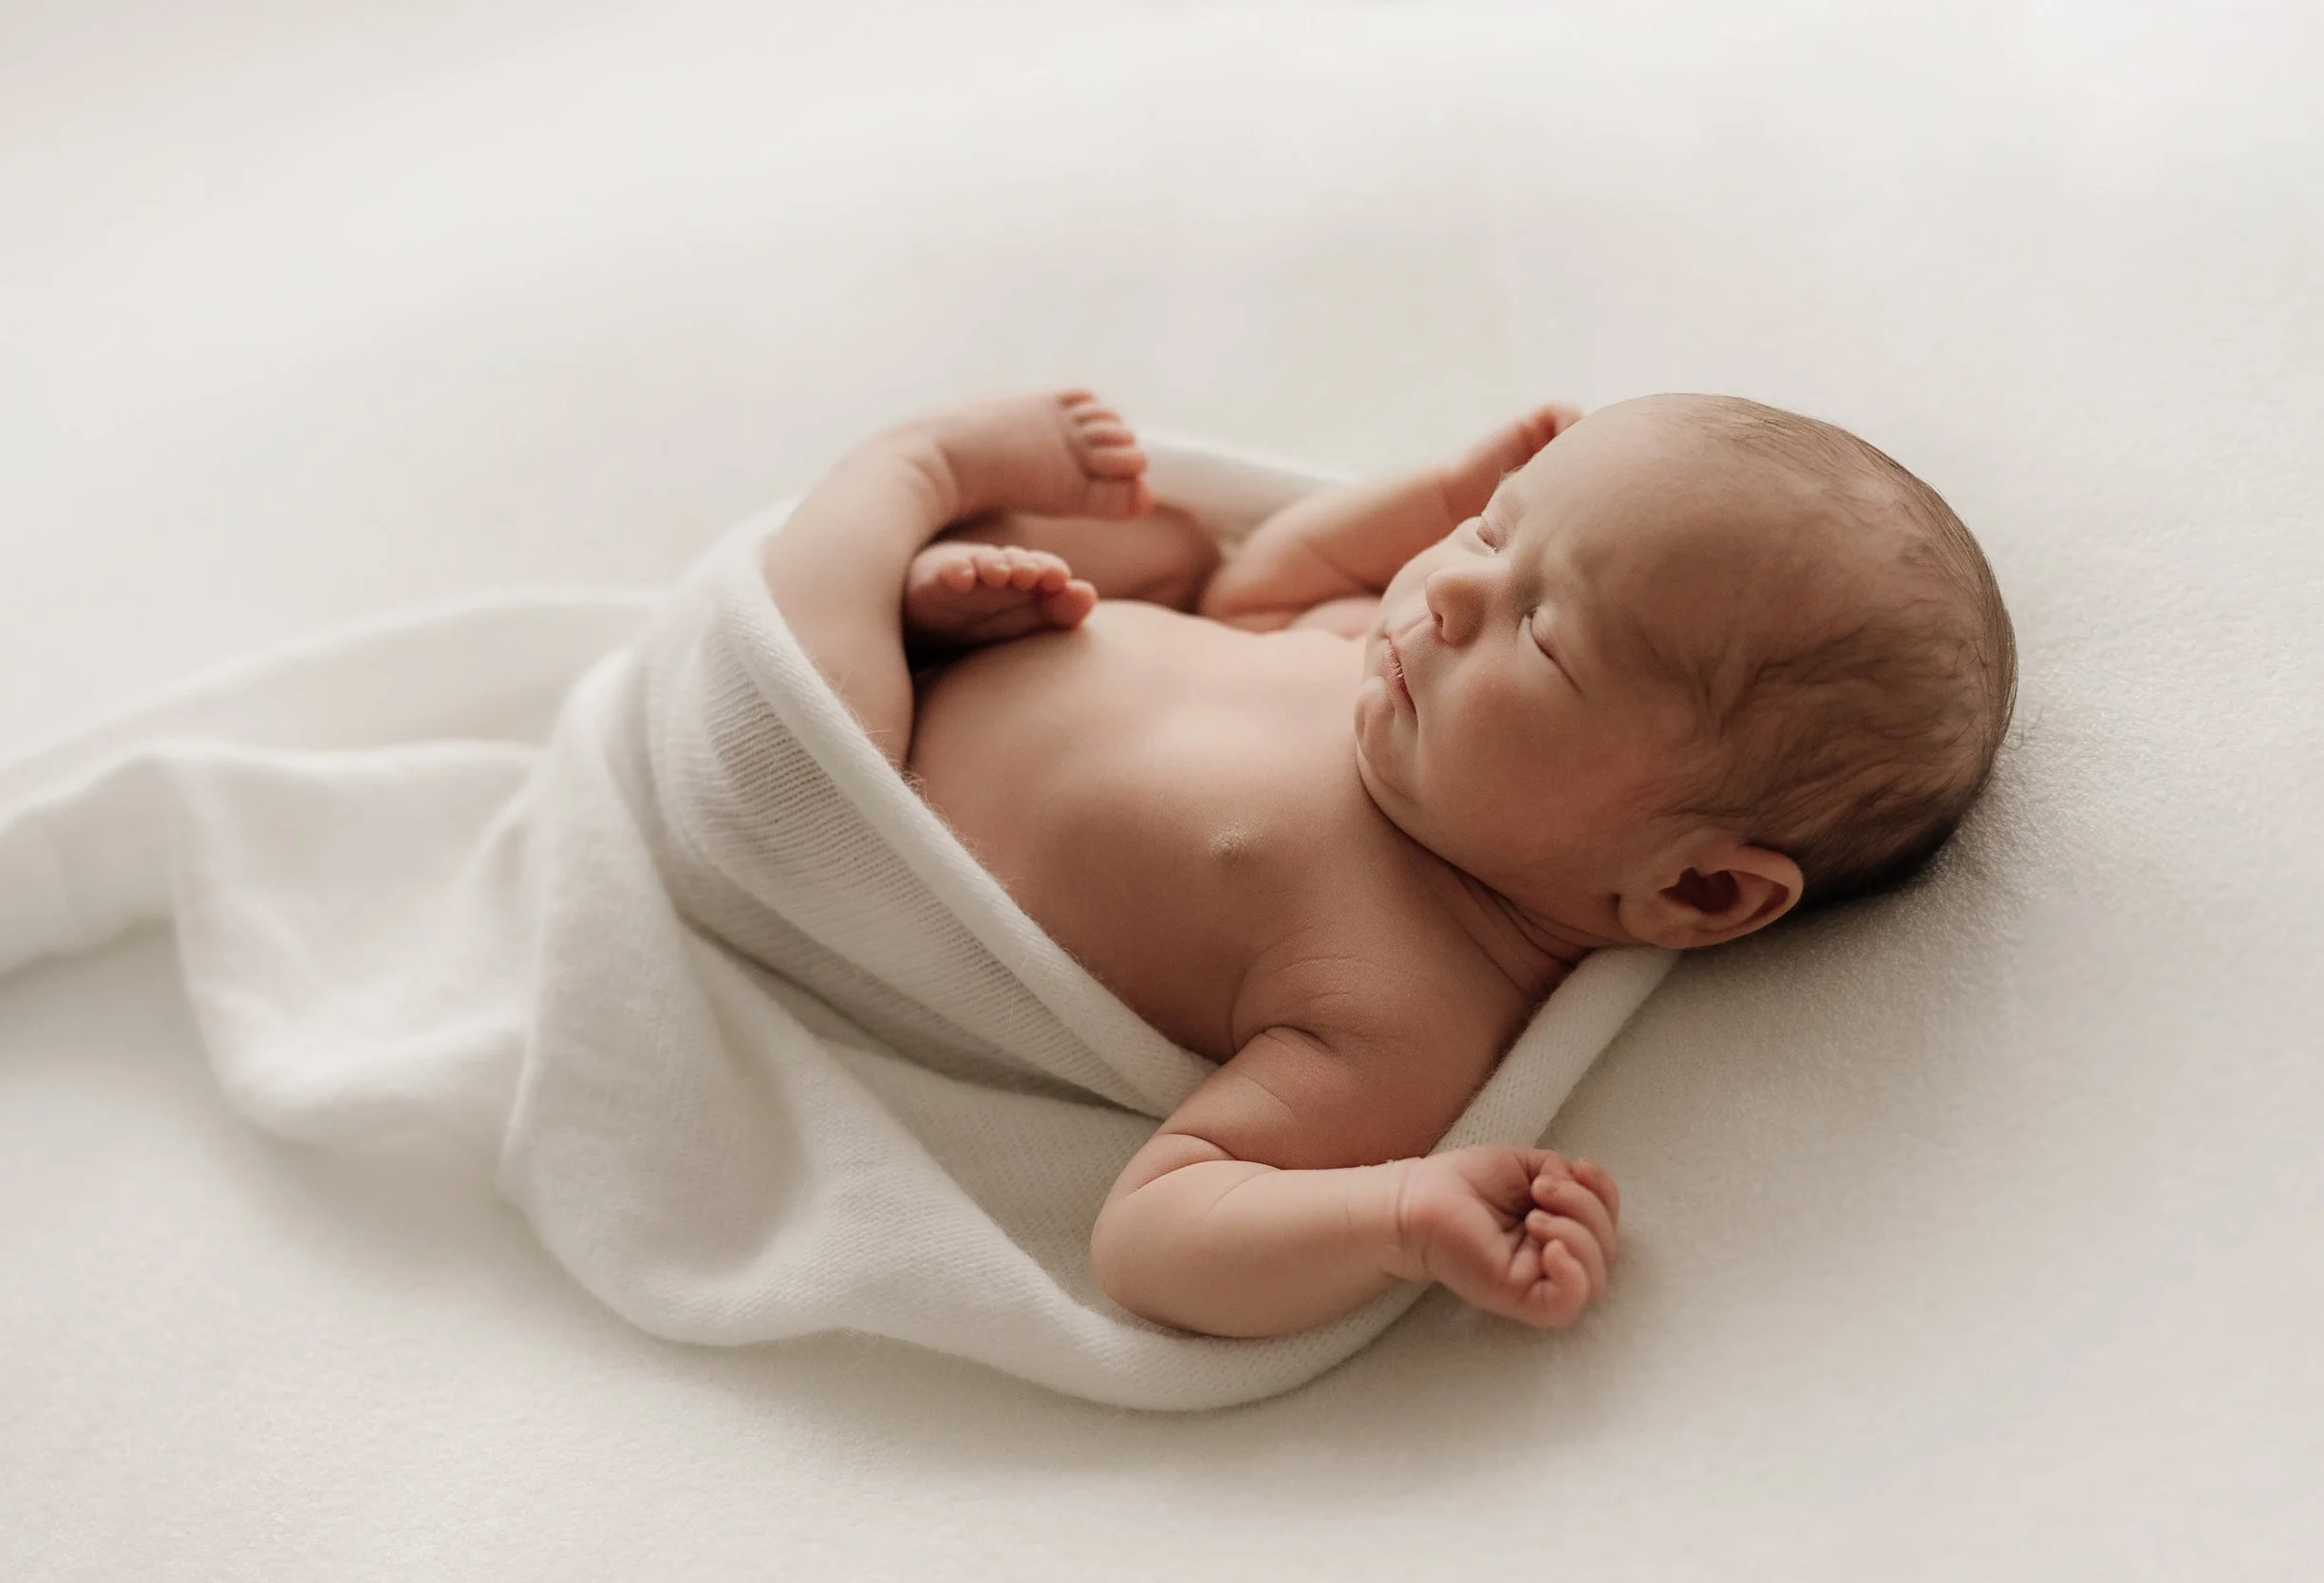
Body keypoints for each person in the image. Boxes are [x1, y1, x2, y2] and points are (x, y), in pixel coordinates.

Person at [760, 387, 2015, 1338]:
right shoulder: (1387, 658)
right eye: (1488, 533)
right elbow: (1256, 591)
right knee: (1167, 546)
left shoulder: (1403, 1006)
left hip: (856, 813)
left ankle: (906, 478)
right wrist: (1432, 494)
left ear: (1696, 888)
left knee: (803, 732)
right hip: (1009, 644)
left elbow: (1155, 1233)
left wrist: (1396, 1217)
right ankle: (925, 603)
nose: (1452, 599)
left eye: (1545, 633)